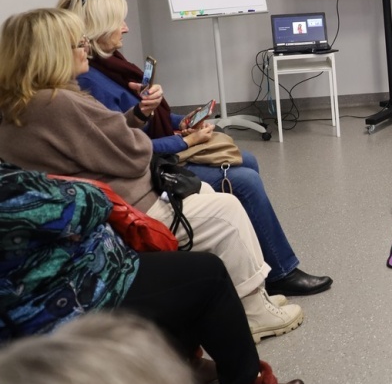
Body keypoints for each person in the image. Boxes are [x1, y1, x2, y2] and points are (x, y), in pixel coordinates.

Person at [0, 8, 303, 343]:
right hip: (126, 212)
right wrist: (149, 133)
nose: (85, 48)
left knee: (205, 191)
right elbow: (133, 157)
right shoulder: (60, 103)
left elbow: (98, 142)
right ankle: (254, 312)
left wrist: (135, 117)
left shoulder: (23, 100)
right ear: (53, 52)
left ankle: (249, 297)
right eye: (79, 42)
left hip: (96, 210)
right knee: (228, 210)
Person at [58, 0, 331, 298]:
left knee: (248, 161)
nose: (126, 27)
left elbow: (137, 121)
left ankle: (256, 256)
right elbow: (131, 149)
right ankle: (281, 273)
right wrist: (186, 142)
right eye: (118, 21)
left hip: (155, 155)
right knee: (244, 181)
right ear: (96, 31)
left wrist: (178, 123)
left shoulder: (111, 65)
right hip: (147, 172)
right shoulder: (90, 82)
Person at [0, 164, 300, 384]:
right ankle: (249, 353)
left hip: (77, 269)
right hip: (65, 295)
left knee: (231, 177)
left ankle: (183, 362)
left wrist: (151, 118)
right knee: (207, 271)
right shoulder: (59, 105)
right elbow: (117, 170)